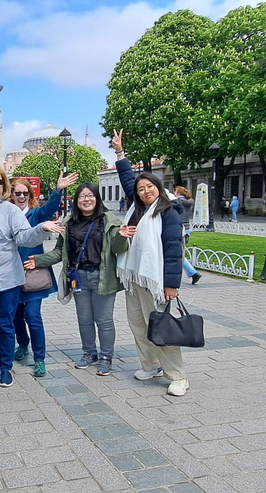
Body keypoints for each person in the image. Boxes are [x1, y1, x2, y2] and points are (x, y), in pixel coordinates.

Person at [0, 166, 64, 387]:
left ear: (3, 186)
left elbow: (24, 237)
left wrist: (41, 228)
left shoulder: (10, 210)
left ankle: (6, 367)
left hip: (6, 278)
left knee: (5, 324)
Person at [112, 129, 188, 397]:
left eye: (149, 187)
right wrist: (120, 152)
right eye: (141, 188)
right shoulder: (136, 208)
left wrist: (171, 285)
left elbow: (172, 250)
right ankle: (150, 365)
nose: (144, 191)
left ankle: (177, 376)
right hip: (134, 277)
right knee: (138, 324)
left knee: (160, 327)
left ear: (158, 188)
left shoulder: (167, 213)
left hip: (154, 280)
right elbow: (125, 177)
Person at [26, 184, 129, 376]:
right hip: (77, 276)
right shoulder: (69, 222)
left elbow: (117, 248)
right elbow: (60, 252)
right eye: (82, 196)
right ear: (76, 200)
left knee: (104, 320)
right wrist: (39, 260)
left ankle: (106, 357)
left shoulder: (108, 221)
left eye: (90, 195)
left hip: (102, 276)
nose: (86, 199)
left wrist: (122, 237)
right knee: (84, 319)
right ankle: (89, 353)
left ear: (97, 199)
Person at [11, 171, 78, 378]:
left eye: (24, 193)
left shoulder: (35, 214)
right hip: (11, 274)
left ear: (29, 195)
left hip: (33, 274)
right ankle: (23, 344)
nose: (21, 196)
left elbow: (49, 209)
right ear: (11, 194)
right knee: (15, 317)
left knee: (33, 316)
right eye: (17, 193)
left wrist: (58, 191)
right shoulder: (6, 214)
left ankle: (39, 359)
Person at [173, 186, 201, 286]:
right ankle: (192, 273)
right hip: (187, 228)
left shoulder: (176, 201)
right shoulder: (189, 201)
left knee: (178, 254)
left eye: (175, 191)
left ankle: (193, 273)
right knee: (180, 253)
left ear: (178, 193)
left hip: (179, 228)